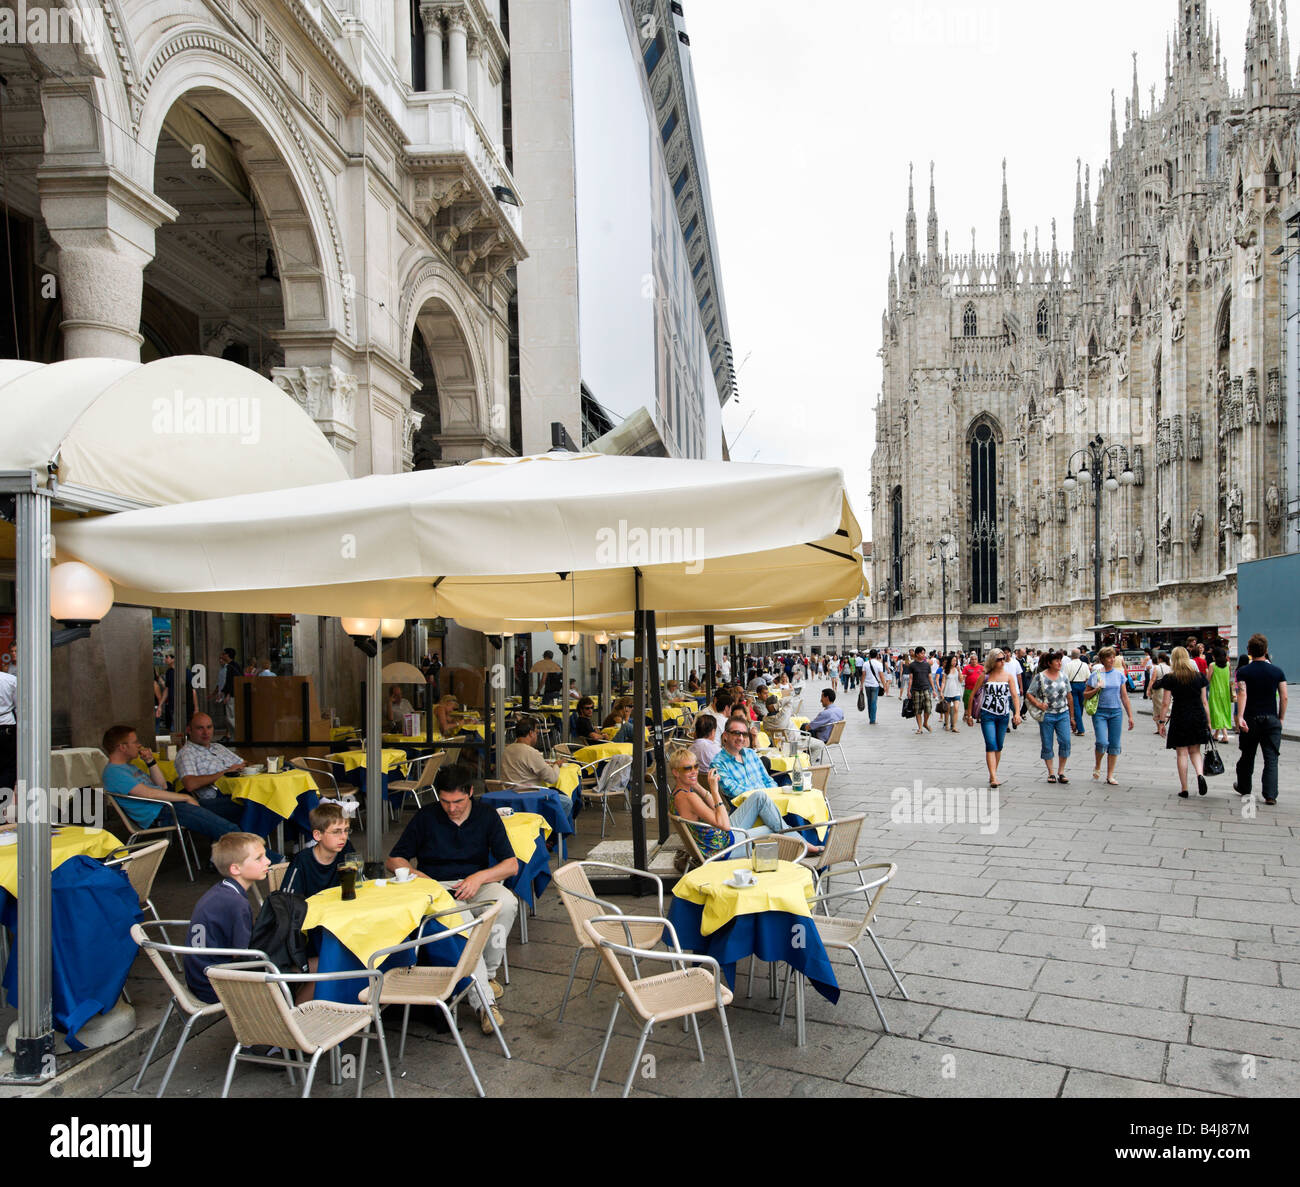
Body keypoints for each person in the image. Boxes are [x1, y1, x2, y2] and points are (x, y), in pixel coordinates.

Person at [386, 762, 517, 1033]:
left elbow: (511, 865)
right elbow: (394, 859)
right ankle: (484, 1003)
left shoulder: (486, 815)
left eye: (457, 801)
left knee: (507, 903)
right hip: (438, 887)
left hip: (476, 881)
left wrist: (479, 878)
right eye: (445, 802)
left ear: (470, 792)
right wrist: (419, 877)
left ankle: (487, 975)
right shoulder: (426, 817)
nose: (451, 808)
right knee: (467, 923)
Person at [101, 725, 271, 848]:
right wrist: (185, 797)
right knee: (229, 829)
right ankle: (269, 860)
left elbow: (161, 786)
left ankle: (233, 855)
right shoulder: (114, 772)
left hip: (171, 805)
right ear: (122, 747)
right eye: (135, 742)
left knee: (242, 804)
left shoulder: (130, 766)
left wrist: (150, 762)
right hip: (163, 812)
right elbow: (149, 793)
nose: (139, 745)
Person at [184, 832, 271, 1005]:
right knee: (295, 973)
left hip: (199, 978)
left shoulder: (221, 891)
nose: (268, 861)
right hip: (216, 985)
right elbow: (244, 954)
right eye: (259, 858)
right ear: (235, 869)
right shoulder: (236, 903)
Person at [669, 747, 796, 859]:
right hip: (722, 848)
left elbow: (717, 815)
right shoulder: (690, 797)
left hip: (714, 841)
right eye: (687, 768)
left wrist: (697, 786)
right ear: (676, 772)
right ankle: (802, 845)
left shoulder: (677, 794)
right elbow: (724, 824)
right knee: (772, 829)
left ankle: (801, 843)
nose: (694, 771)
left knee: (759, 796)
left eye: (696, 766)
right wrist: (714, 791)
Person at [1151, 647, 1212, 799]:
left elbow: (1165, 703)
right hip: (1198, 715)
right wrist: (1209, 722)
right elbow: (1205, 702)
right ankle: (1199, 774)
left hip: (1180, 716)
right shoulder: (1199, 677)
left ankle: (1184, 788)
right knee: (1195, 751)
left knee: (1182, 753)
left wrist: (1161, 721)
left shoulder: (1171, 678)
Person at [1234, 633, 1287, 806]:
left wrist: (1240, 716)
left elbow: (1242, 693)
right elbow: (1284, 697)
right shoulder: (1277, 671)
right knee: (1271, 758)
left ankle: (1244, 786)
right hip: (1271, 718)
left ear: (1249, 651)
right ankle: (1270, 794)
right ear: (1266, 650)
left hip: (1251, 719)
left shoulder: (1243, 671)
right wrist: (1281, 718)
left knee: (1247, 755)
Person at [173, 713, 250, 824]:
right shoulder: (187, 753)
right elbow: (190, 784)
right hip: (215, 799)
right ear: (189, 730)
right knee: (254, 805)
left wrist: (252, 767)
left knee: (270, 797)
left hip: (240, 790)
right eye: (200, 728)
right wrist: (225, 772)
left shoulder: (218, 747)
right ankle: (249, 838)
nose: (206, 732)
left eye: (209, 727)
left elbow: (243, 763)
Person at [966, 651, 1020, 788]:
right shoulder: (985, 676)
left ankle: (993, 772)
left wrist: (1017, 713)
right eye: (999, 659)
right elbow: (972, 695)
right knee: (991, 744)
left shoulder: (1008, 677)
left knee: (999, 745)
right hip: (987, 714)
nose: (1003, 661)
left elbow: (1014, 696)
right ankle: (994, 777)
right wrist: (969, 715)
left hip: (1003, 715)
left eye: (1004, 659)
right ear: (992, 661)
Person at [1084, 646, 1135, 786]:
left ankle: (1110, 775)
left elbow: (1124, 697)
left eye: (1113, 657)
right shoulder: (1095, 675)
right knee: (1102, 742)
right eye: (1109, 657)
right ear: (1102, 659)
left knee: (1114, 744)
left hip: (1116, 712)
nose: (1112, 659)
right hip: (1100, 712)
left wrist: (1130, 716)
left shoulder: (1119, 675)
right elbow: (1085, 694)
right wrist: (1096, 688)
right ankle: (1098, 764)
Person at [281, 802, 352, 897]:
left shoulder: (346, 850)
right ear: (318, 835)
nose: (344, 837)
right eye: (336, 832)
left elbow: (359, 884)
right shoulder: (302, 861)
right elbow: (287, 901)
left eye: (346, 830)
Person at [1025, 651, 1075, 783]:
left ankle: (1061, 771)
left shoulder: (1064, 676)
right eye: (1057, 660)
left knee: (1065, 741)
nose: (1059, 663)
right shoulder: (1040, 677)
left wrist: (1072, 717)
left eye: (1060, 660)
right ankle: (1051, 772)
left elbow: (1069, 696)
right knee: (1047, 743)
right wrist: (1038, 704)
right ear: (1049, 663)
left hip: (1063, 713)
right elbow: (1029, 693)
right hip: (1047, 715)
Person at [710, 716, 782, 804]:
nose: (740, 738)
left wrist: (772, 794)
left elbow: (768, 780)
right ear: (725, 735)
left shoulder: (751, 753)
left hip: (769, 800)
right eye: (736, 733)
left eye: (744, 734)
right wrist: (763, 795)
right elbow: (732, 790)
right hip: (746, 808)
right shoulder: (718, 763)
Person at [500, 717, 562, 787]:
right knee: (565, 798)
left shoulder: (507, 750)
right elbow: (552, 778)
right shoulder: (531, 753)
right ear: (531, 733)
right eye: (536, 732)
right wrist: (556, 765)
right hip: (529, 794)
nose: (537, 736)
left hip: (509, 794)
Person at [804, 688, 844, 760]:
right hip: (834, 737)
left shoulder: (825, 713)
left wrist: (804, 726)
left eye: (822, 697)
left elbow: (809, 727)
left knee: (803, 728)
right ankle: (810, 754)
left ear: (827, 698)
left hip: (823, 738)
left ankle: (806, 758)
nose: (820, 700)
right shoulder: (840, 711)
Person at [1207, 646, 1233, 744]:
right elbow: (1229, 676)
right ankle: (1216, 734)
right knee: (1223, 711)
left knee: (1217, 712)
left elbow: (1208, 679)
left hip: (1215, 691)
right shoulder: (1228, 665)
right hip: (1225, 692)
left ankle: (1225, 736)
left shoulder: (1212, 665)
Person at [905, 647, 934, 734]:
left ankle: (925, 723)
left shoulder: (927, 665)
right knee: (917, 709)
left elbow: (930, 677)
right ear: (917, 654)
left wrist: (934, 690)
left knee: (928, 708)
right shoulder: (912, 665)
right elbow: (910, 678)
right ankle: (920, 727)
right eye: (921, 653)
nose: (923, 655)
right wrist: (908, 690)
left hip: (926, 688)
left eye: (924, 653)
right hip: (916, 689)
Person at [215, 647, 241, 740]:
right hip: (230, 695)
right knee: (229, 717)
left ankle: (236, 736)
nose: (221, 656)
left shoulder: (232, 667)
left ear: (227, 655)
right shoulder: (230, 666)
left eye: (224, 654)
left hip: (233, 696)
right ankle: (233, 736)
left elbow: (232, 682)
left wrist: (228, 694)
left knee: (231, 717)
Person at [0, 657, 15, 798]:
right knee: (7, 768)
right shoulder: (9, 680)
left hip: (6, 726)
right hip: (6, 726)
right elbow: (19, 705)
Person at [1148, 652, 1173, 737]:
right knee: (1167, 707)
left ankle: (1159, 728)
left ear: (1160, 659)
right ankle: (1165, 726)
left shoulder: (1157, 668)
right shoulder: (1170, 668)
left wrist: (1148, 689)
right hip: (1168, 689)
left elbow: (1152, 680)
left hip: (1158, 691)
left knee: (1157, 708)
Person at [860, 649, 886, 725]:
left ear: (869, 655)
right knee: (874, 702)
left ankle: (870, 717)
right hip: (875, 685)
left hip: (867, 685)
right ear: (877, 655)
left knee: (869, 701)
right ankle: (872, 719)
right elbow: (881, 676)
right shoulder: (879, 664)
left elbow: (863, 675)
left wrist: (861, 685)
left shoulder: (865, 664)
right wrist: (884, 686)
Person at [939, 654, 964, 733]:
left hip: (957, 691)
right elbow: (943, 682)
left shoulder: (958, 670)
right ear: (950, 661)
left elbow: (961, 680)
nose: (954, 662)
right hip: (948, 692)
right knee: (947, 710)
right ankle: (947, 724)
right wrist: (941, 691)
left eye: (955, 661)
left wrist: (959, 671)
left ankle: (954, 726)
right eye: (953, 660)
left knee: (956, 708)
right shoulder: (945, 670)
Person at [962, 652, 983, 720]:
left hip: (979, 689)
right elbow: (963, 676)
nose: (974, 661)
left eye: (975, 659)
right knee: (967, 702)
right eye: (972, 659)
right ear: (970, 660)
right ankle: (966, 713)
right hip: (969, 688)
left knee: (979, 702)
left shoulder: (981, 668)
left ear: (977, 660)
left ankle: (978, 716)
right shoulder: (966, 667)